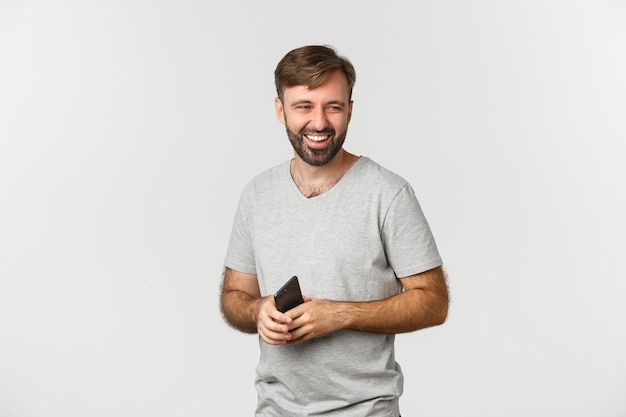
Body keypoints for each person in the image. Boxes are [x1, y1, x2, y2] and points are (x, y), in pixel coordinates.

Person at [220, 44, 449, 416]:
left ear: (350, 111)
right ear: (281, 111)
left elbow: (434, 302)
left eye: (333, 107)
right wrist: (257, 309)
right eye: (304, 106)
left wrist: (342, 314)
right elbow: (233, 296)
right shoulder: (256, 195)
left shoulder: (388, 194)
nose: (320, 123)